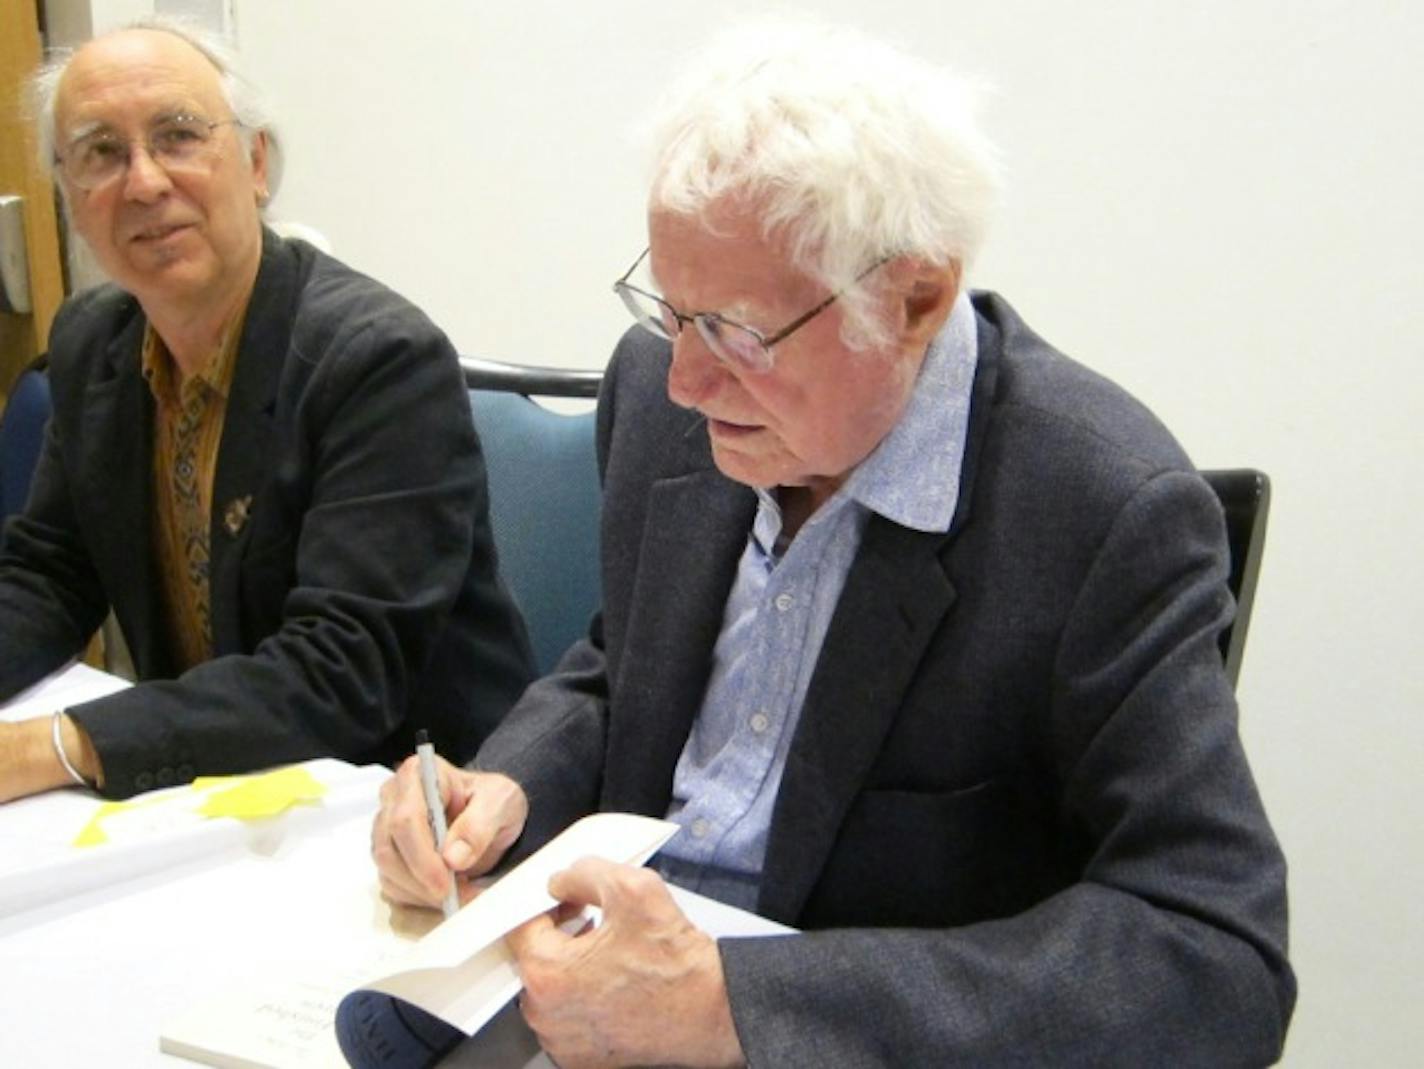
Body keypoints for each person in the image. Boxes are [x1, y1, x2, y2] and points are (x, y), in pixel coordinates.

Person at [371, 21, 1295, 1067]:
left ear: (914, 299)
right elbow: (617, 669)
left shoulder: (1101, 511)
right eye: (671, 312)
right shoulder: (660, 395)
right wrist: (506, 788)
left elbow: (1212, 955)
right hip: (583, 1006)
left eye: (737, 332)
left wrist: (737, 1007)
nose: (686, 380)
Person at [0, 20, 534, 803]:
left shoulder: (378, 359)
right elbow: (49, 572)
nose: (144, 183)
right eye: (101, 153)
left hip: (406, 809)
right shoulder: (92, 340)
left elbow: (340, 675)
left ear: (255, 162)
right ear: (71, 200)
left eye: (178, 136)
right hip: (214, 792)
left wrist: (53, 746)